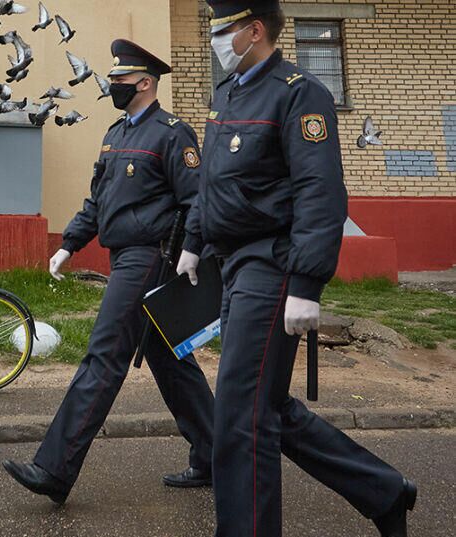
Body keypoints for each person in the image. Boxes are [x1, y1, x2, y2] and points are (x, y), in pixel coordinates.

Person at [176, 1, 416, 535]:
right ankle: (383, 491)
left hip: (273, 263)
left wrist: (307, 283)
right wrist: (193, 240)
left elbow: (320, 191)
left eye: (223, 30)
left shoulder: (299, 92)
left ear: (254, 30)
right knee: (267, 405)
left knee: (239, 418)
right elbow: (211, 181)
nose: (215, 39)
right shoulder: (228, 93)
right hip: (233, 265)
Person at [2, 39, 215, 505]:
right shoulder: (115, 135)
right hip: (124, 255)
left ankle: (54, 469)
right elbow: (97, 202)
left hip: (151, 258)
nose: (112, 85)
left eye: (120, 80)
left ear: (145, 82)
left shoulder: (172, 134)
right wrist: (69, 244)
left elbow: (195, 199)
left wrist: (191, 250)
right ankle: (217, 454)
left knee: (104, 354)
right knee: (170, 359)